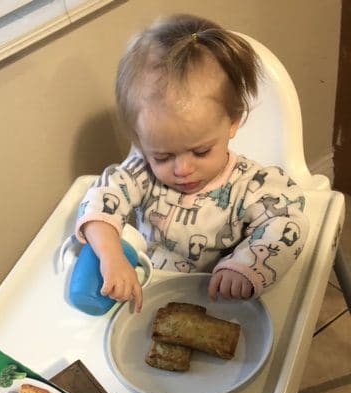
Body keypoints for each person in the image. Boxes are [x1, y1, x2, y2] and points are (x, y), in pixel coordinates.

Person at [74, 13, 308, 312]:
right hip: (149, 292)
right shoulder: (140, 173)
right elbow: (97, 203)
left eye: (200, 152)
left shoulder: (250, 185)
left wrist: (244, 266)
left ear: (234, 121)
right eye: (163, 156)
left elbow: (288, 220)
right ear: (140, 139)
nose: (182, 170)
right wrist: (111, 257)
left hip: (218, 297)